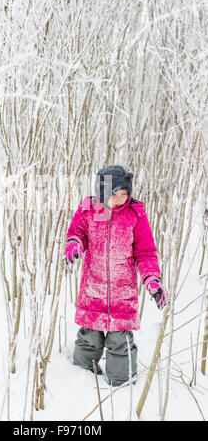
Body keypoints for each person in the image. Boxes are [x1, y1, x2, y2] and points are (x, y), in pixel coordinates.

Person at [64, 165, 167, 386]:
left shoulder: (135, 215)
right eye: (115, 194)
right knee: (89, 337)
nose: (121, 199)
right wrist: (75, 243)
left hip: (123, 292)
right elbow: (77, 232)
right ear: (102, 194)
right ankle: (82, 380)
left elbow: (146, 252)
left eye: (124, 194)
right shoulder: (89, 211)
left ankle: (122, 383)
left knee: (120, 341)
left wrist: (151, 279)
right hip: (93, 288)